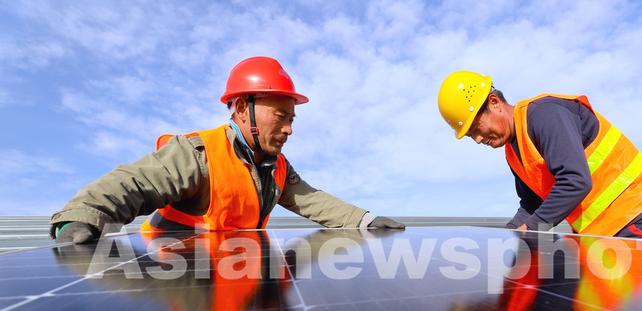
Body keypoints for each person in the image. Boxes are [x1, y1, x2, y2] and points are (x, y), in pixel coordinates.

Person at [51, 56, 404, 243]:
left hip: (235, 272)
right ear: (242, 108)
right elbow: (135, 181)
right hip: (174, 276)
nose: (289, 129)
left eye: (292, 119)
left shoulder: (277, 168)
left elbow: (312, 200)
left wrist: (365, 221)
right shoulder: (199, 153)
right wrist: (83, 216)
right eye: (280, 117)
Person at [437, 71, 642, 240]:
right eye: (470, 136)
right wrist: (508, 237)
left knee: (629, 296)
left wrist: (531, 229)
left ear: (494, 102)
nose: (478, 139)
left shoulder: (544, 115)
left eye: (476, 128)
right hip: (603, 233)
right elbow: (532, 204)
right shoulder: (513, 152)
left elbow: (576, 181)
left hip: (639, 214)